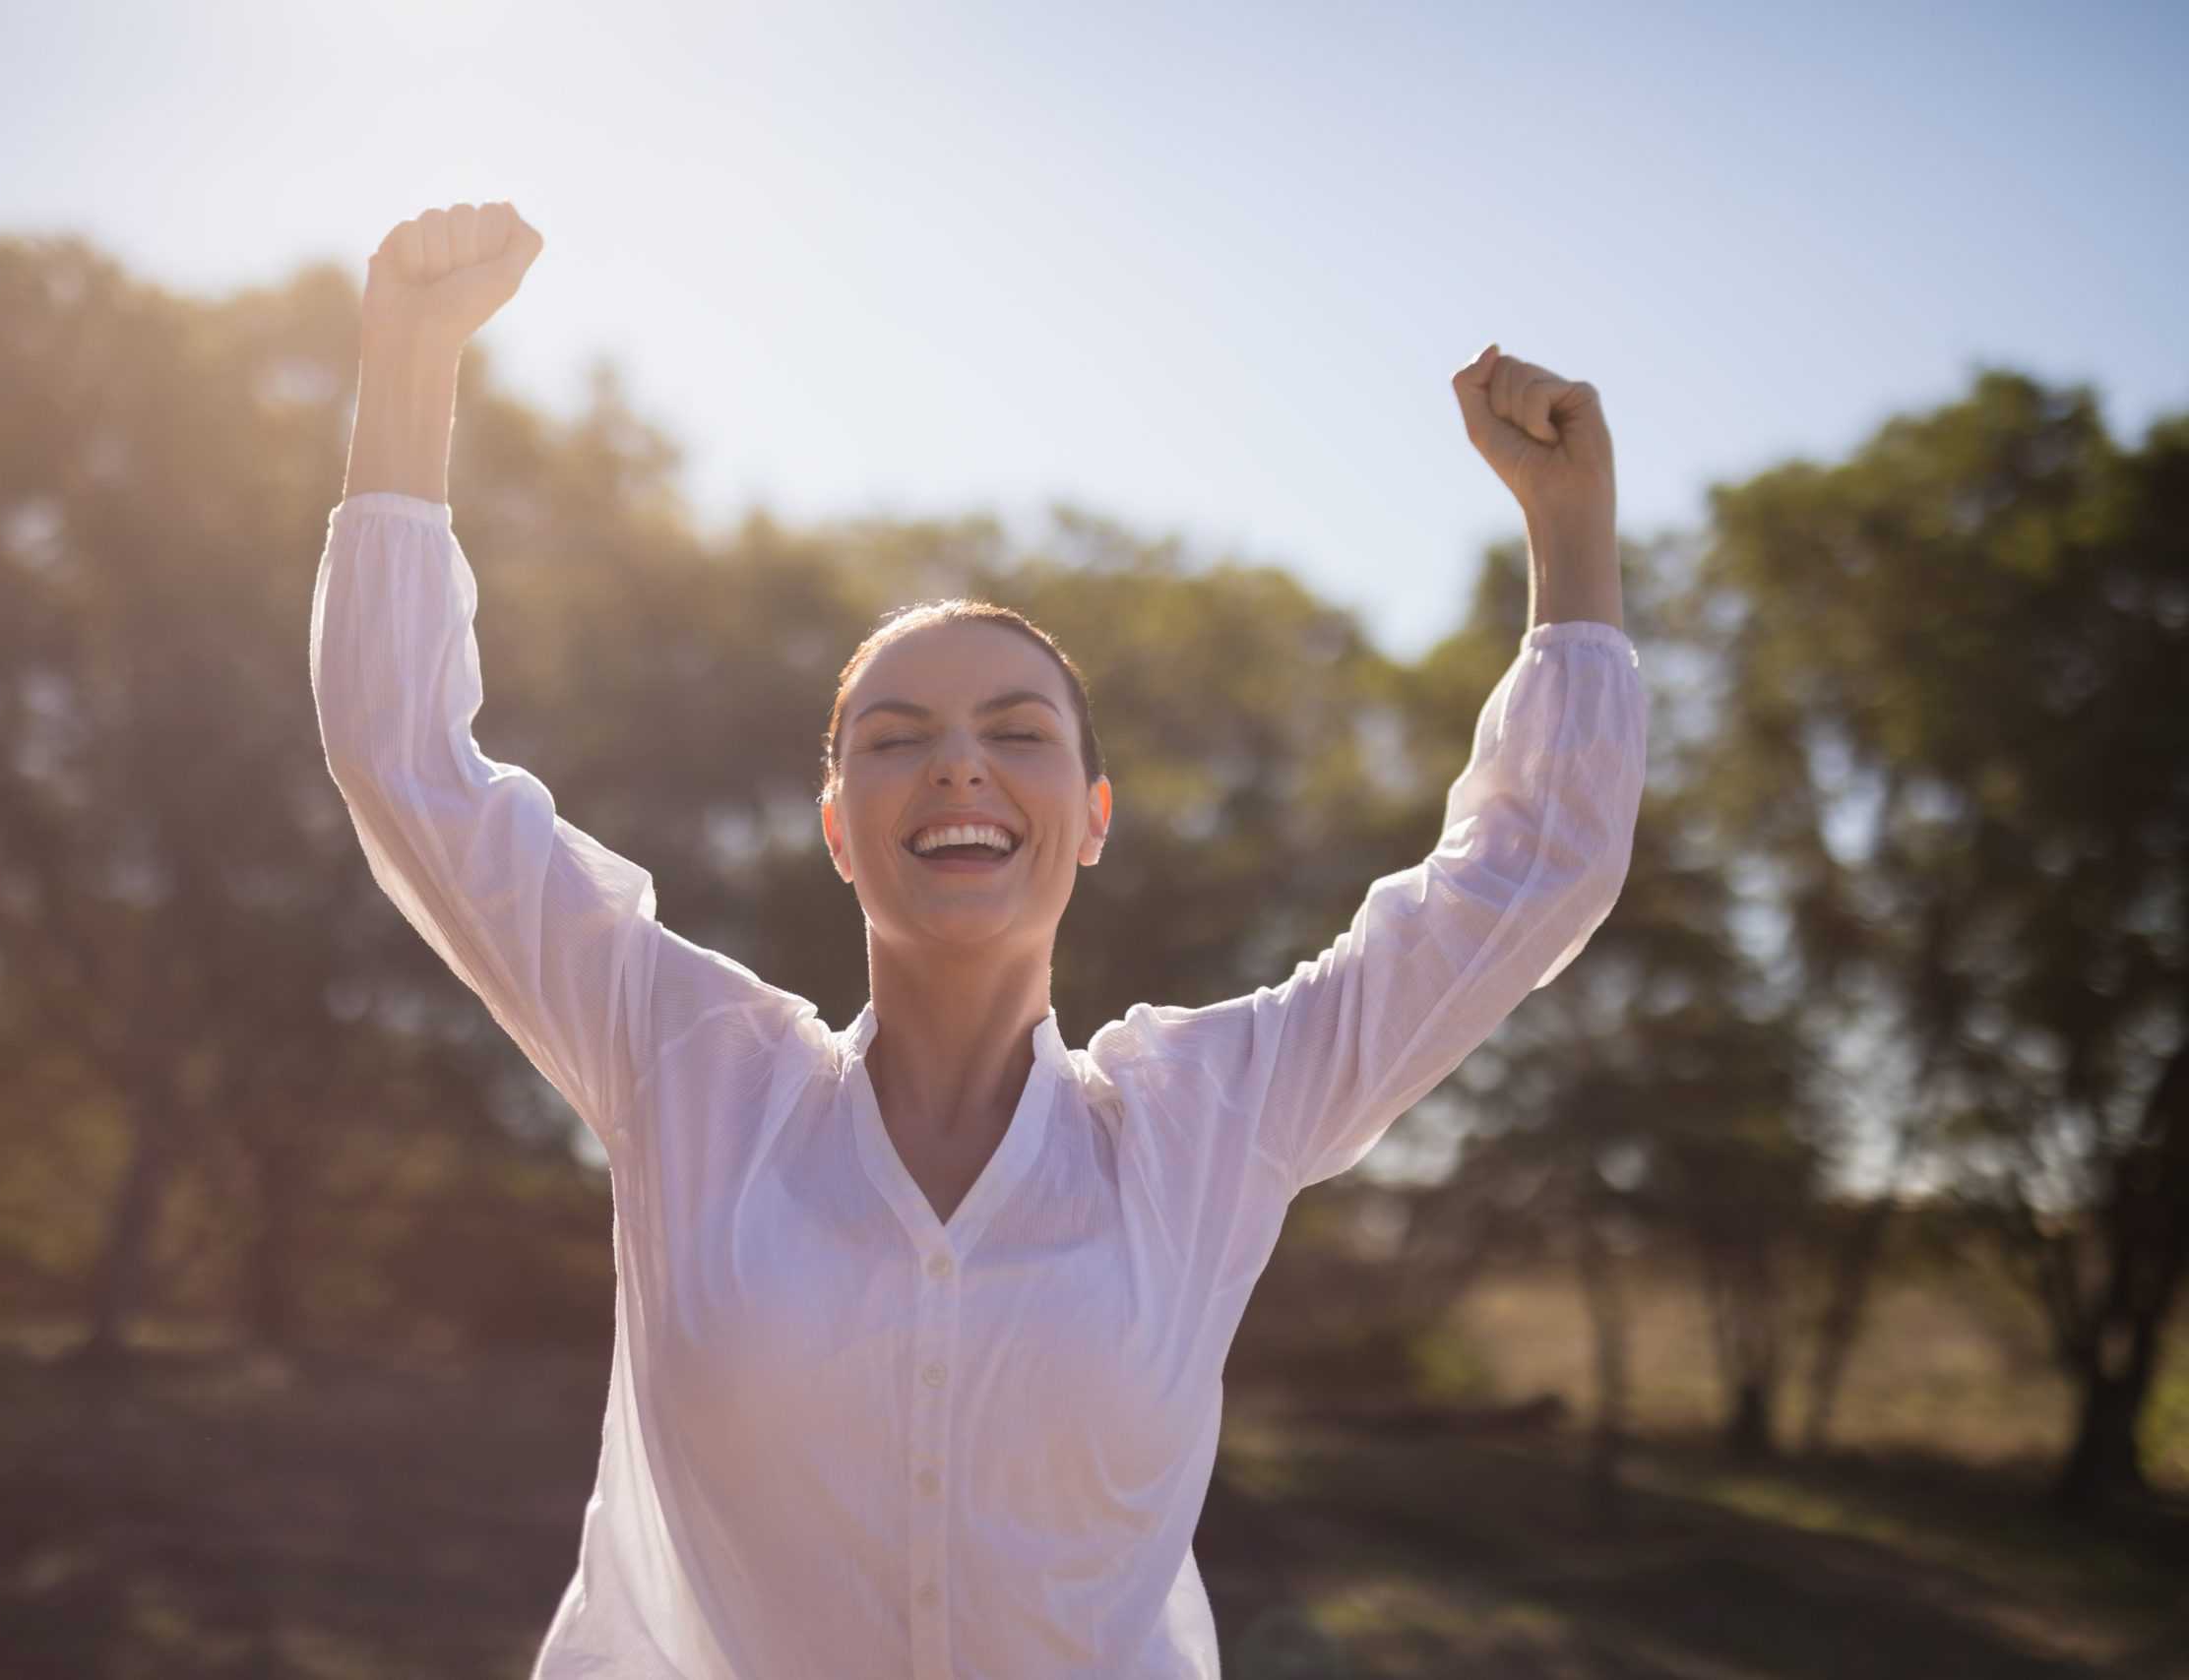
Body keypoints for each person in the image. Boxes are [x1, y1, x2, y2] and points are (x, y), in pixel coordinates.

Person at [312, 200, 1646, 1679]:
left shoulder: (1209, 1127)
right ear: (838, 825)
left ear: (1089, 816)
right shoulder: (686, 1071)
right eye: (897, 739)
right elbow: (406, 767)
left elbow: (1533, 873)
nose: (958, 765)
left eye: (1016, 732)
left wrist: (1569, 534)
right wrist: (410, 358)